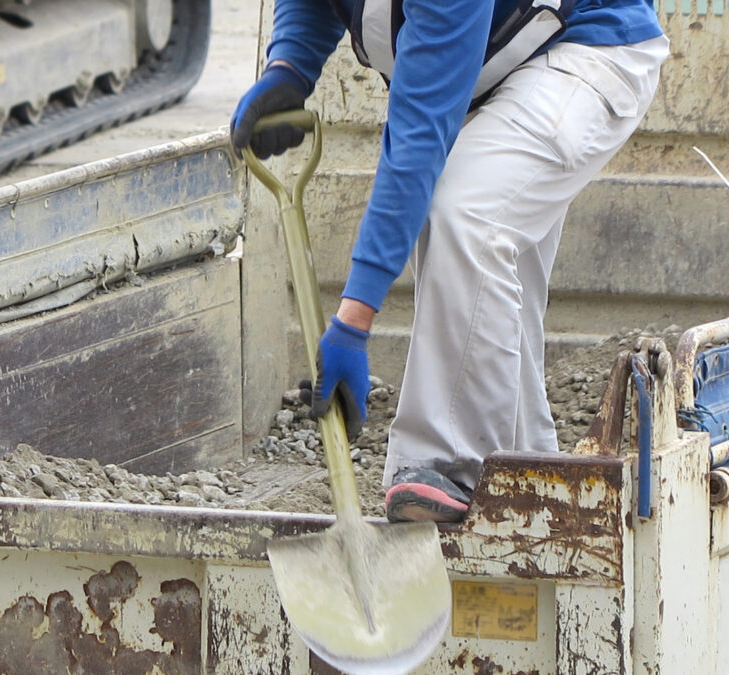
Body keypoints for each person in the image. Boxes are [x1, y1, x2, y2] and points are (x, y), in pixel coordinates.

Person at [231, 0, 667, 522]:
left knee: (467, 215)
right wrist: (290, 67)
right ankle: (535, 476)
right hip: (497, 64)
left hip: (587, 48)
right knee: (491, 280)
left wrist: (354, 320)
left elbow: (417, 138)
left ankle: (457, 467)